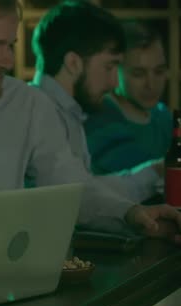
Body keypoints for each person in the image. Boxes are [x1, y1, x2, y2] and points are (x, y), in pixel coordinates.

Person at [0, 0, 181, 236]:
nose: (7, 61)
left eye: (10, 45)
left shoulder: (27, 104)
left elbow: (71, 190)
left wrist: (132, 214)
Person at [30, 1, 162, 203]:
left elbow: (85, 187)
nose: (114, 82)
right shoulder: (36, 114)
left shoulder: (64, 111)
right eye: (109, 67)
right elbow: (78, 202)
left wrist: (155, 172)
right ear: (73, 63)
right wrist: (138, 216)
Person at [84, 20, 172, 176]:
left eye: (159, 72)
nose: (151, 85)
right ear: (115, 70)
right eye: (138, 74)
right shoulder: (97, 120)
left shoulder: (164, 117)